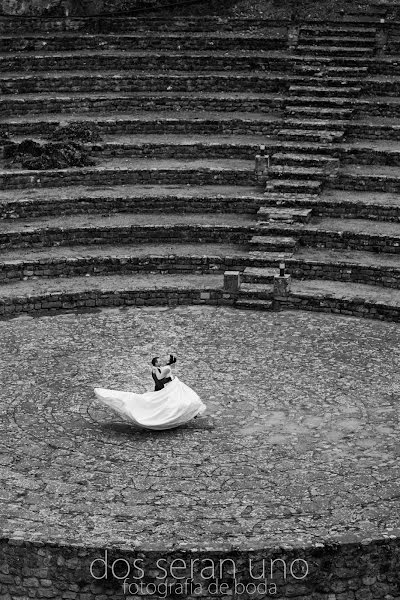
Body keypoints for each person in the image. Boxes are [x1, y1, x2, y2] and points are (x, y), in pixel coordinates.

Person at [94, 354, 206, 430]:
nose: (161, 361)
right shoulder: (165, 368)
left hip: (168, 386)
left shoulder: (164, 368)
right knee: (178, 399)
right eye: (159, 361)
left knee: (175, 399)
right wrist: (160, 372)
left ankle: (189, 412)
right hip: (170, 386)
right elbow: (160, 377)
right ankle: (185, 413)